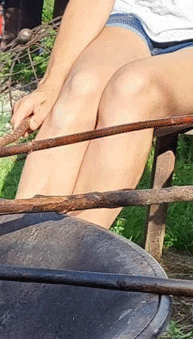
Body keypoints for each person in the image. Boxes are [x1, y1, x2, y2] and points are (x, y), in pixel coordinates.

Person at [10, 0, 193, 229]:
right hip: (132, 20)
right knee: (83, 85)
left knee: (132, 88)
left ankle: (77, 248)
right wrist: (51, 84)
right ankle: (19, 239)